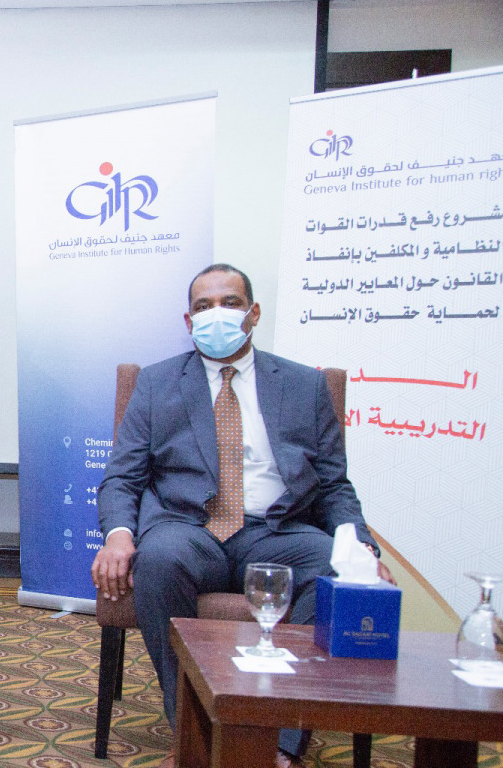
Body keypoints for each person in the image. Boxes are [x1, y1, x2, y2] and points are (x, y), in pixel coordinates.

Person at [90, 263, 394, 768]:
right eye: (203, 307)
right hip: (188, 529)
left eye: (229, 303)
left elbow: (334, 485)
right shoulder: (157, 383)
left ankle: (280, 742)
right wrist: (119, 534)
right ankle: (194, 734)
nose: (217, 314)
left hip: (275, 531)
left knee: (331, 566)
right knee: (158, 558)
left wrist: (359, 548)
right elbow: (123, 476)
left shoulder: (304, 386)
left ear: (253, 313)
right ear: (188, 322)